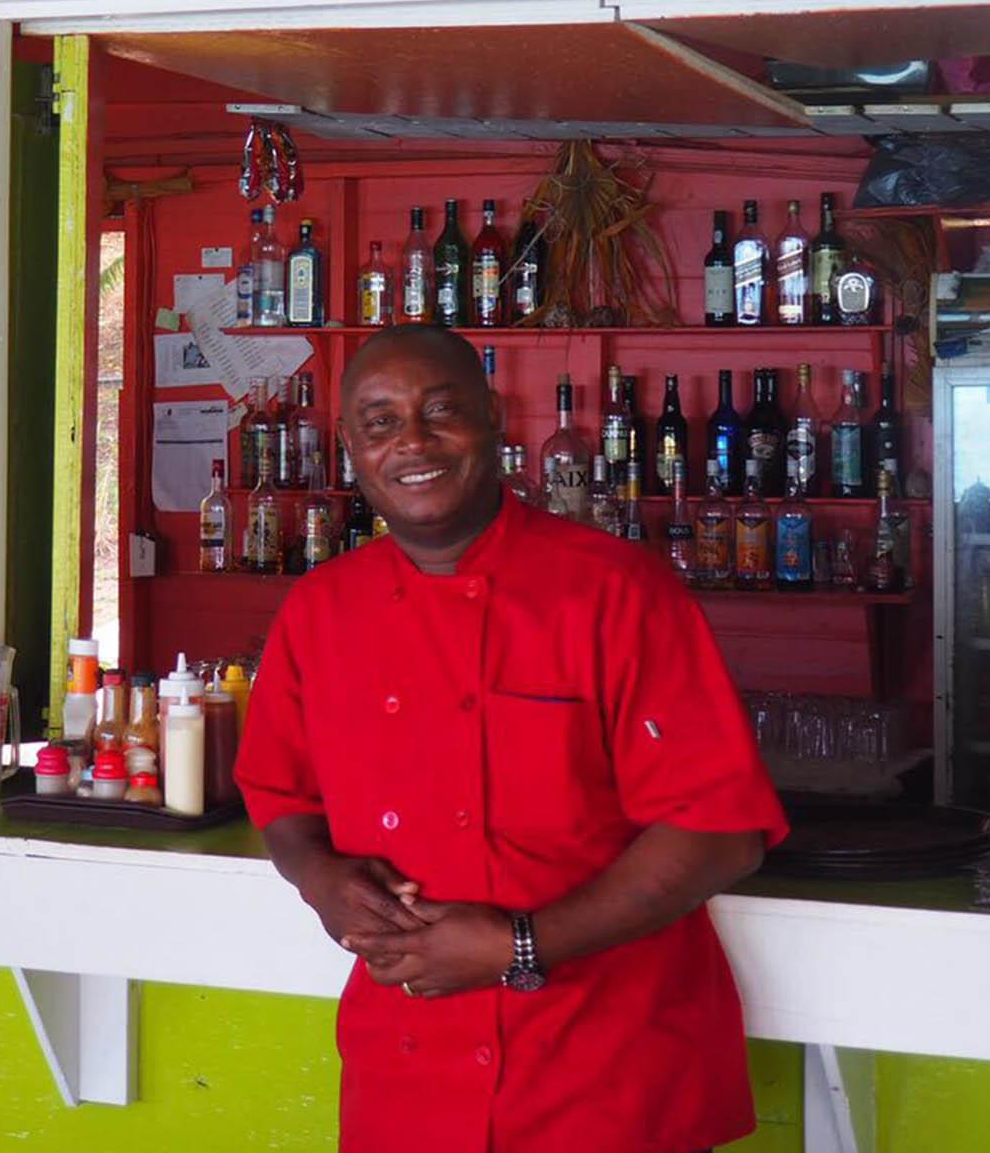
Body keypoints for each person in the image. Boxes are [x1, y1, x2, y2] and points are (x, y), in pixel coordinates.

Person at [235, 325, 786, 1153]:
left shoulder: (615, 591)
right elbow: (280, 795)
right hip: (407, 1075)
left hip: (606, 1072)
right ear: (350, 448)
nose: (412, 442)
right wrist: (320, 878)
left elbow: (719, 830)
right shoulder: (319, 610)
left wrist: (518, 945)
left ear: (494, 419)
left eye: (441, 411)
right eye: (380, 422)